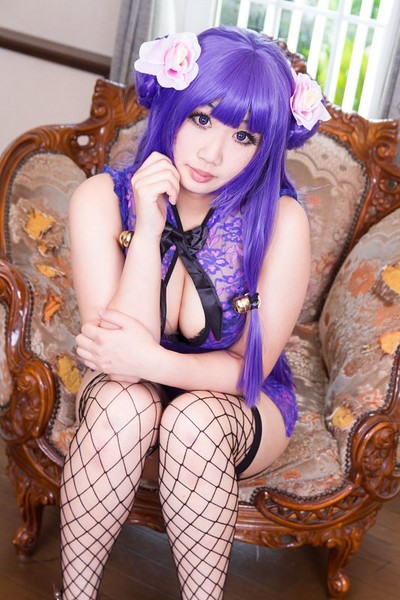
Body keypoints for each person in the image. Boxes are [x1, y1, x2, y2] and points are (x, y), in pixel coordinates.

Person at [56, 25, 330, 600]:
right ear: (172, 107)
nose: (212, 154)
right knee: (123, 405)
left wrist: (150, 360)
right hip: (124, 390)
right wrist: (148, 227)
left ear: (266, 147)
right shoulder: (102, 200)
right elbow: (115, 358)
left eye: (244, 136)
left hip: (240, 401)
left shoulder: (280, 223)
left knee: (194, 422)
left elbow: (246, 369)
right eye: (202, 119)